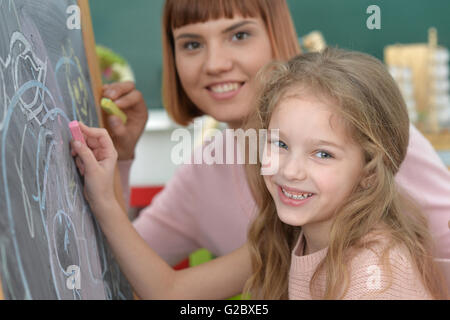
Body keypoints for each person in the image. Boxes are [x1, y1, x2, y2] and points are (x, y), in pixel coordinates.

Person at [71, 48, 448, 299]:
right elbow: (170, 291)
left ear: (369, 171)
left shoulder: (374, 281)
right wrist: (103, 197)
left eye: (322, 153)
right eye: (279, 144)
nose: (290, 170)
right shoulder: (297, 236)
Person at [101, 0, 450, 268]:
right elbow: (117, 268)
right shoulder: (204, 172)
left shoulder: (363, 128)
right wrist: (122, 157)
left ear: (276, 36)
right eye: (191, 44)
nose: (214, 64)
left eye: (239, 35)